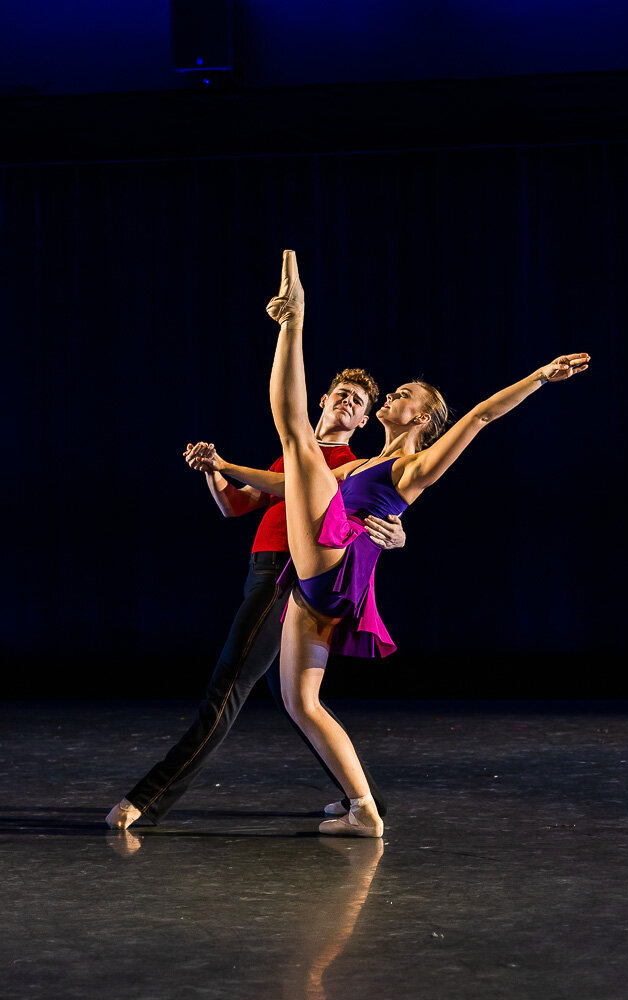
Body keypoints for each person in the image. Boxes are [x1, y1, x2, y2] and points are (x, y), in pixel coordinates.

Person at [254, 249, 589, 838]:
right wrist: (226, 469)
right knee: (299, 703)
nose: (394, 395)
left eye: (406, 393)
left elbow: (482, 417)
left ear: (423, 418)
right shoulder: (361, 463)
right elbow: (289, 487)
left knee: (296, 434)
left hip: (333, 565)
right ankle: (364, 811)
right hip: (319, 580)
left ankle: (294, 320)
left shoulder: (413, 466)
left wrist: (540, 376)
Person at [106, 367, 406, 830]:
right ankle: (368, 801)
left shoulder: (347, 465)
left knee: (227, 689)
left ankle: (147, 797)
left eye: (358, 403)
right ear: (323, 400)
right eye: (342, 394)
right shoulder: (289, 456)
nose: (347, 403)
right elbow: (235, 504)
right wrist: (213, 472)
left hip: (286, 579)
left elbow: (380, 509)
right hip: (261, 572)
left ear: (364, 421)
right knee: (294, 701)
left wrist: (397, 534)